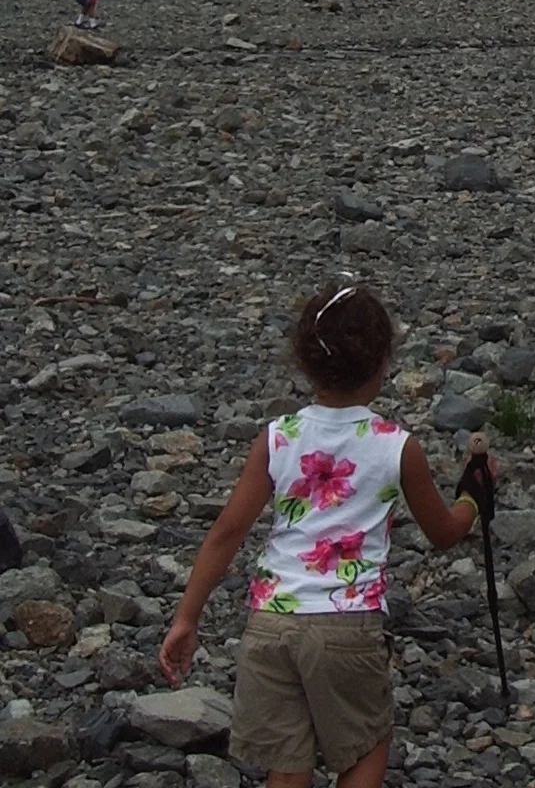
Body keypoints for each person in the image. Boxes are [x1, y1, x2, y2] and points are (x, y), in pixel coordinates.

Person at [158, 283, 494, 788]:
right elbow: (445, 533)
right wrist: (473, 496)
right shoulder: (396, 447)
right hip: (346, 625)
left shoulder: (277, 438)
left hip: (270, 623)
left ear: (305, 363)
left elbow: (228, 530)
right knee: (363, 745)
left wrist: (187, 616)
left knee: (288, 761)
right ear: (383, 362)